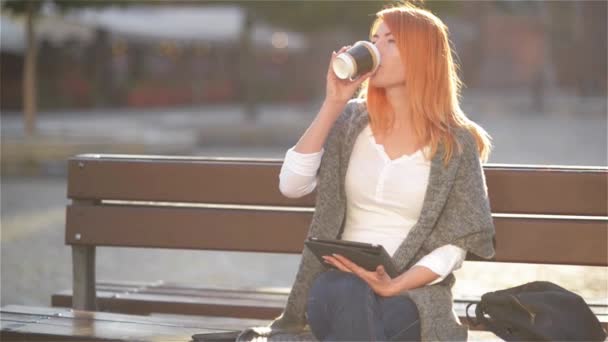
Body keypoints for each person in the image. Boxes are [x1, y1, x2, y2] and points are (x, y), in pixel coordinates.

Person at [236, 2, 496, 341]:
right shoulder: (349, 122)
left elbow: (454, 246)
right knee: (347, 293)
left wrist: (394, 285)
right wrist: (333, 103)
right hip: (335, 284)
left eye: (390, 41)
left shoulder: (455, 143)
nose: (375, 48)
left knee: (381, 319)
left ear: (422, 55)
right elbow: (291, 184)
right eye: (374, 38)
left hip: (410, 295)